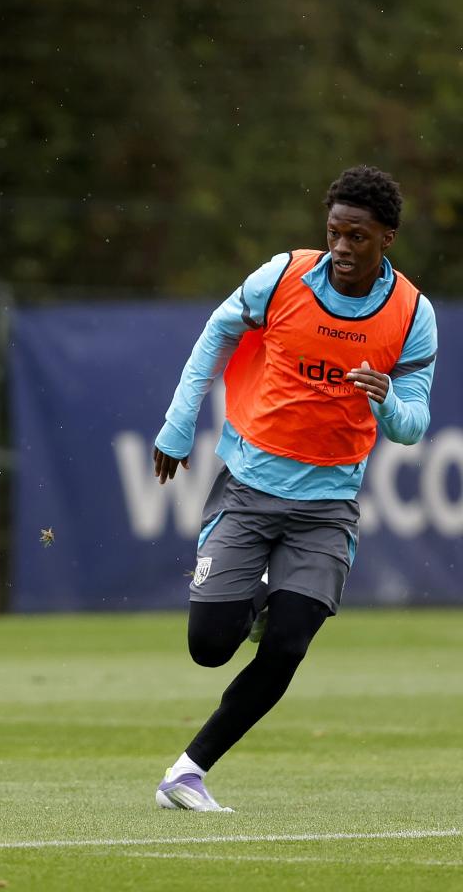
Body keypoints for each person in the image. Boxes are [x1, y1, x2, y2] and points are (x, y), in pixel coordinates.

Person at [151, 165, 437, 811]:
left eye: (358, 236)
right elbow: (217, 335)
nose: (342, 247)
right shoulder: (282, 277)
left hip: (329, 504)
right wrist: (176, 426)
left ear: (386, 238)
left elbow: (414, 426)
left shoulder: (412, 314)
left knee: (289, 644)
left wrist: (388, 400)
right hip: (248, 487)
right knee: (209, 648)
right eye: (335, 232)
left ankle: (188, 772)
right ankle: (248, 604)